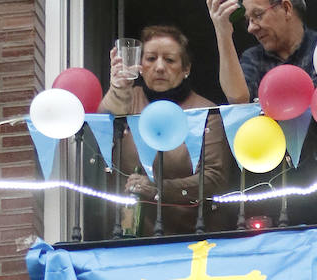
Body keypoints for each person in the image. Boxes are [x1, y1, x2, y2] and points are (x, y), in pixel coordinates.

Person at [205, 0, 317, 223]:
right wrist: (223, 33)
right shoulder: (253, 58)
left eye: (257, 15)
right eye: (247, 20)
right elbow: (237, 97)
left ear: (286, 8)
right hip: (271, 190)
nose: (251, 28)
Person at [98, 25, 235, 234]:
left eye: (170, 60)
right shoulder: (128, 99)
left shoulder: (205, 112)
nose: (160, 67)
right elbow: (100, 129)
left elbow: (214, 178)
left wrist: (158, 189)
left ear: (186, 69)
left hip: (194, 237)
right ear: (140, 65)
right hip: (131, 237)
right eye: (151, 58)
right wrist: (118, 90)